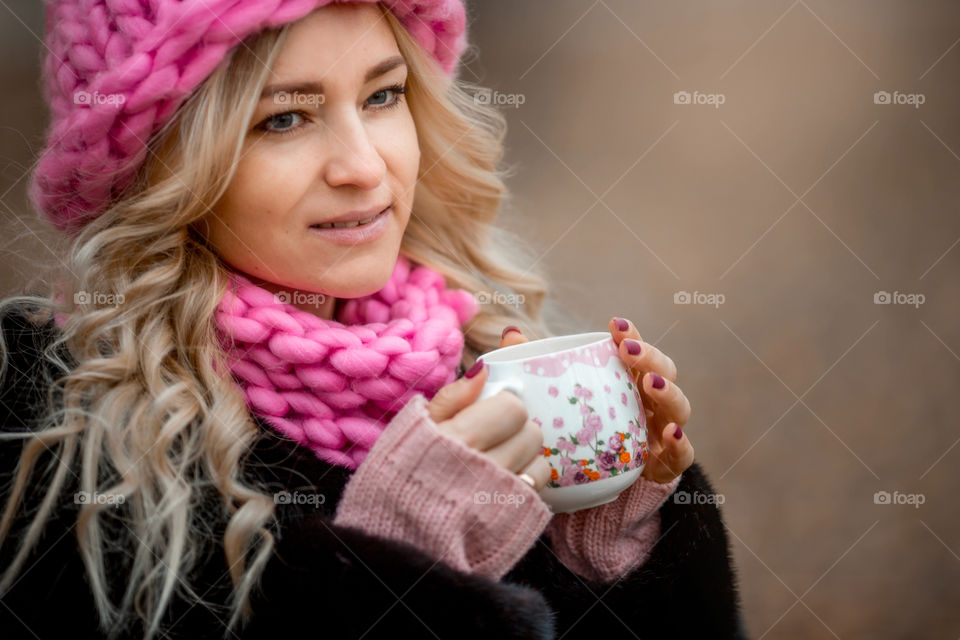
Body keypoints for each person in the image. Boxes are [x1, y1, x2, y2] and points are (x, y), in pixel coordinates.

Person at [0, 1, 745, 638]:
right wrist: (392, 560)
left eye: (383, 97)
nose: (363, 167)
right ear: (162, 167)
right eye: (284, 118)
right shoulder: (49, 436)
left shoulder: (480, 358)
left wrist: (604, 559)